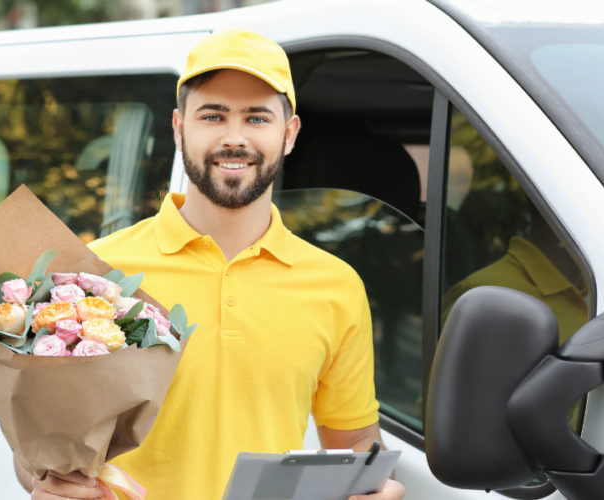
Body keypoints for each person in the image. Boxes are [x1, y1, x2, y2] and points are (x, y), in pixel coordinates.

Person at [22, 29, 407, 500]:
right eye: (213, 115)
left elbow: (353, 440)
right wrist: (46, 482)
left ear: (289, 135)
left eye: (256, 118)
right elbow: (38, 451)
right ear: (180, 127)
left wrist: (376, 487)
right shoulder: (100, 269)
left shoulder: (335, 285)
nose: (234, 137)